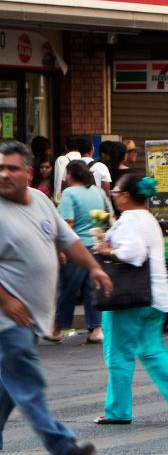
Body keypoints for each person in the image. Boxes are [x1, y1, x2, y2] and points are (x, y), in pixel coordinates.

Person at [0, 140, 106, 455]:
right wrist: (6, 301)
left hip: (30, 318)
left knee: (8, 388)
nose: (4, 174)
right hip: (8, 320)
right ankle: (62, 446)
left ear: (29, 173)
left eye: (12, 168)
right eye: (0, 168)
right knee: (28, 383)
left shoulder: (40, 202)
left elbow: (68, 240)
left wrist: (94, 268)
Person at [93, 173, 168, 425]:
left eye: (116, 193)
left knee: (118, 353)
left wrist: (105, 249)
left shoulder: (129, 219)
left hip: (130, 297)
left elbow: (133, 254)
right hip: (156, 296)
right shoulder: (149, 219)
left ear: (127, 197)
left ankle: (117, 411)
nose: (114, 197)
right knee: (151, 349)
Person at [52, 162, 109, 344]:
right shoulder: (98, 192)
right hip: (96, 246)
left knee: (68, 289)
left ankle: (58, 328)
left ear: (69, 176)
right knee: (93, 288)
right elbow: (108, 216)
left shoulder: (69, 193)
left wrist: (61, 249)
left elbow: (67, 223)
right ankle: (97, 328)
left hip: (76, 248)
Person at [51, 135, 82, 204]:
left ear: (65, 147)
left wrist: (57, 201)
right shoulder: (84, 159)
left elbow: (58, 182)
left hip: (66, 200)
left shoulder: (62, 160)